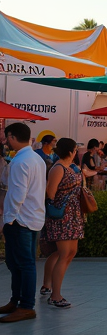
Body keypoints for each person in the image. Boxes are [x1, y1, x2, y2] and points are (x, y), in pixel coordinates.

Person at [1, 123, 47, 322]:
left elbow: (17, 194)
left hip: (20, 219)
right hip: (31, 217)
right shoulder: (35, 159)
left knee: (23, 263)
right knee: (16, 262)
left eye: (6, 137)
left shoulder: (21, 162)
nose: (5, 141)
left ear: (11, 137)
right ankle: (17, 300)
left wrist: (8, 220)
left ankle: (26, 305)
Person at [40, 139, 90, 306]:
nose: (76, 152)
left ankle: (48, 286)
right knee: (63, 254)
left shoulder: (72, 168)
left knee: (69, 252)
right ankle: (55, 295)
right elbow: (50, 193)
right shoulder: (58, 168)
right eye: (75, 149)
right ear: (70, 151)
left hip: (74, 216)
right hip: (62, 217)